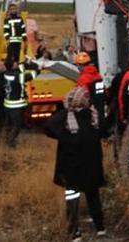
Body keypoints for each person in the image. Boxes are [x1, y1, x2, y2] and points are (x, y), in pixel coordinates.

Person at [45, 86, 108, 241]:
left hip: (71, 167)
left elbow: (48, 128)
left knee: (72, 198)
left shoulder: (65, 117)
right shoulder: (93, 115)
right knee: (93, 195)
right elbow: (104, 132)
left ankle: (74, 232)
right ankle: (100, 227)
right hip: (92, 165)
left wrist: (63, 136)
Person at [3, 59, 35, 148]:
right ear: (12, 66)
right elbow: (31, 76)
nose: (17, 63)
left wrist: (25, 63)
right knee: (16, 126)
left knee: (9, 124)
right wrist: (38, 69)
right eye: (15, 63)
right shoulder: (17, 76)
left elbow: (19, 68)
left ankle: (6, 140)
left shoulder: (7, 73)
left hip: (8, 105)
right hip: (16, 106)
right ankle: (11, 142)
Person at [75, 52, 106, 131]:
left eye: (77, 65)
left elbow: (81, 98)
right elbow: (105, 92)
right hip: (100, 109)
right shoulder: (97, 75)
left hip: (89, 112)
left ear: (80, 65)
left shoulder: (83, 78)